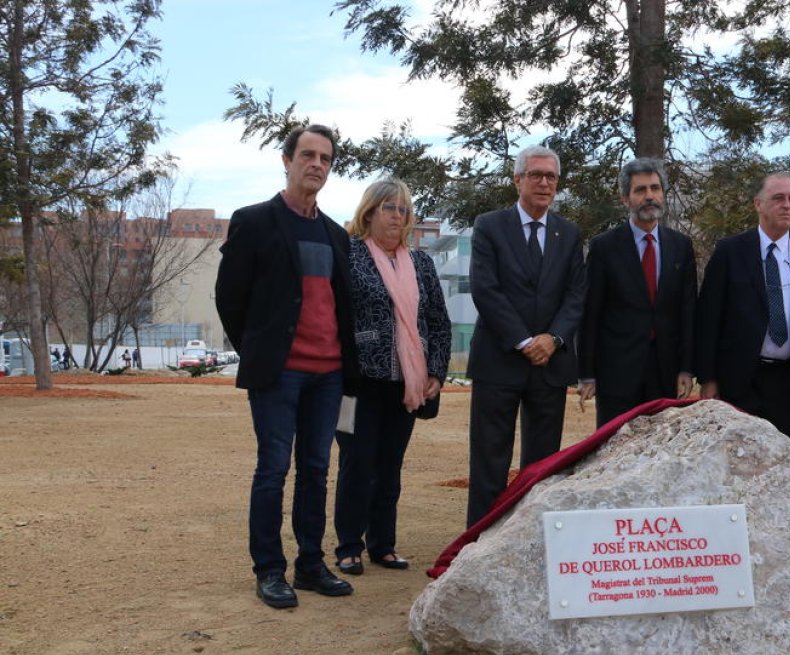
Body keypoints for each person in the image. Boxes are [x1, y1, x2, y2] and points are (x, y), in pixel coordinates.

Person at [214, 123, 360, 609]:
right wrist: (260, 349)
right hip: (280, 374)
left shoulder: (337, 234)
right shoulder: (254, 221)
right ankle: (269, 569)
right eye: (308, 155)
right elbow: (229, 297)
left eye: (326, 159)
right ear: (287, 160)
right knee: (273, 469)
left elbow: (345, 306)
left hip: (330, 373)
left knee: (317, 470)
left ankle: (311, 564)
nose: (317, 165)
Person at [332, 179, 451, 575]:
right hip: (356, 383)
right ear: (369, 212)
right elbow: (334, 316)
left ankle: (382, 544)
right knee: (356, 462)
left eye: (402, 209)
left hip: (406, 384)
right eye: (389, 208)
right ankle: (348, 545)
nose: (397, 216)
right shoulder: (347, 255)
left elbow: (437, 320)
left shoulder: (421, 263)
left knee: (389, 467)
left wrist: (436, 371)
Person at [465, 145, 586, 527]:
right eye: (536, 175)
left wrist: (553, 339)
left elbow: (575, 295)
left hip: (550, 365)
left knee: (542, 463)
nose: (544, 183)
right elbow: (485, 288)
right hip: (499, 360)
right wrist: (523, 340)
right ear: (517, 180)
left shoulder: (568, 234)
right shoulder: (489, 225)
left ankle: (530, 537)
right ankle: (479, 541)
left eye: (551, 177)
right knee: (489, 459)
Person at [694, 172, 790, 449]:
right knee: (739, 466)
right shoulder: (729, 252)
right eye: (779, 198)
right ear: (758, 204)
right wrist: (709, 378)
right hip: (740, 381)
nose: (787, 205)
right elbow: (709, 318)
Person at [578, 158, 696, 426]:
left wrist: (687, 368)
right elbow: (590, 312)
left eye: (655, 188)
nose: (649, 196)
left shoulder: (680, 246)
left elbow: (688, 311)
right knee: (614, 450)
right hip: (616, 373)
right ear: (625, 199)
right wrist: (587, 374)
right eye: (640, 190)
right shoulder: (604, 247)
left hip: (666, 373)